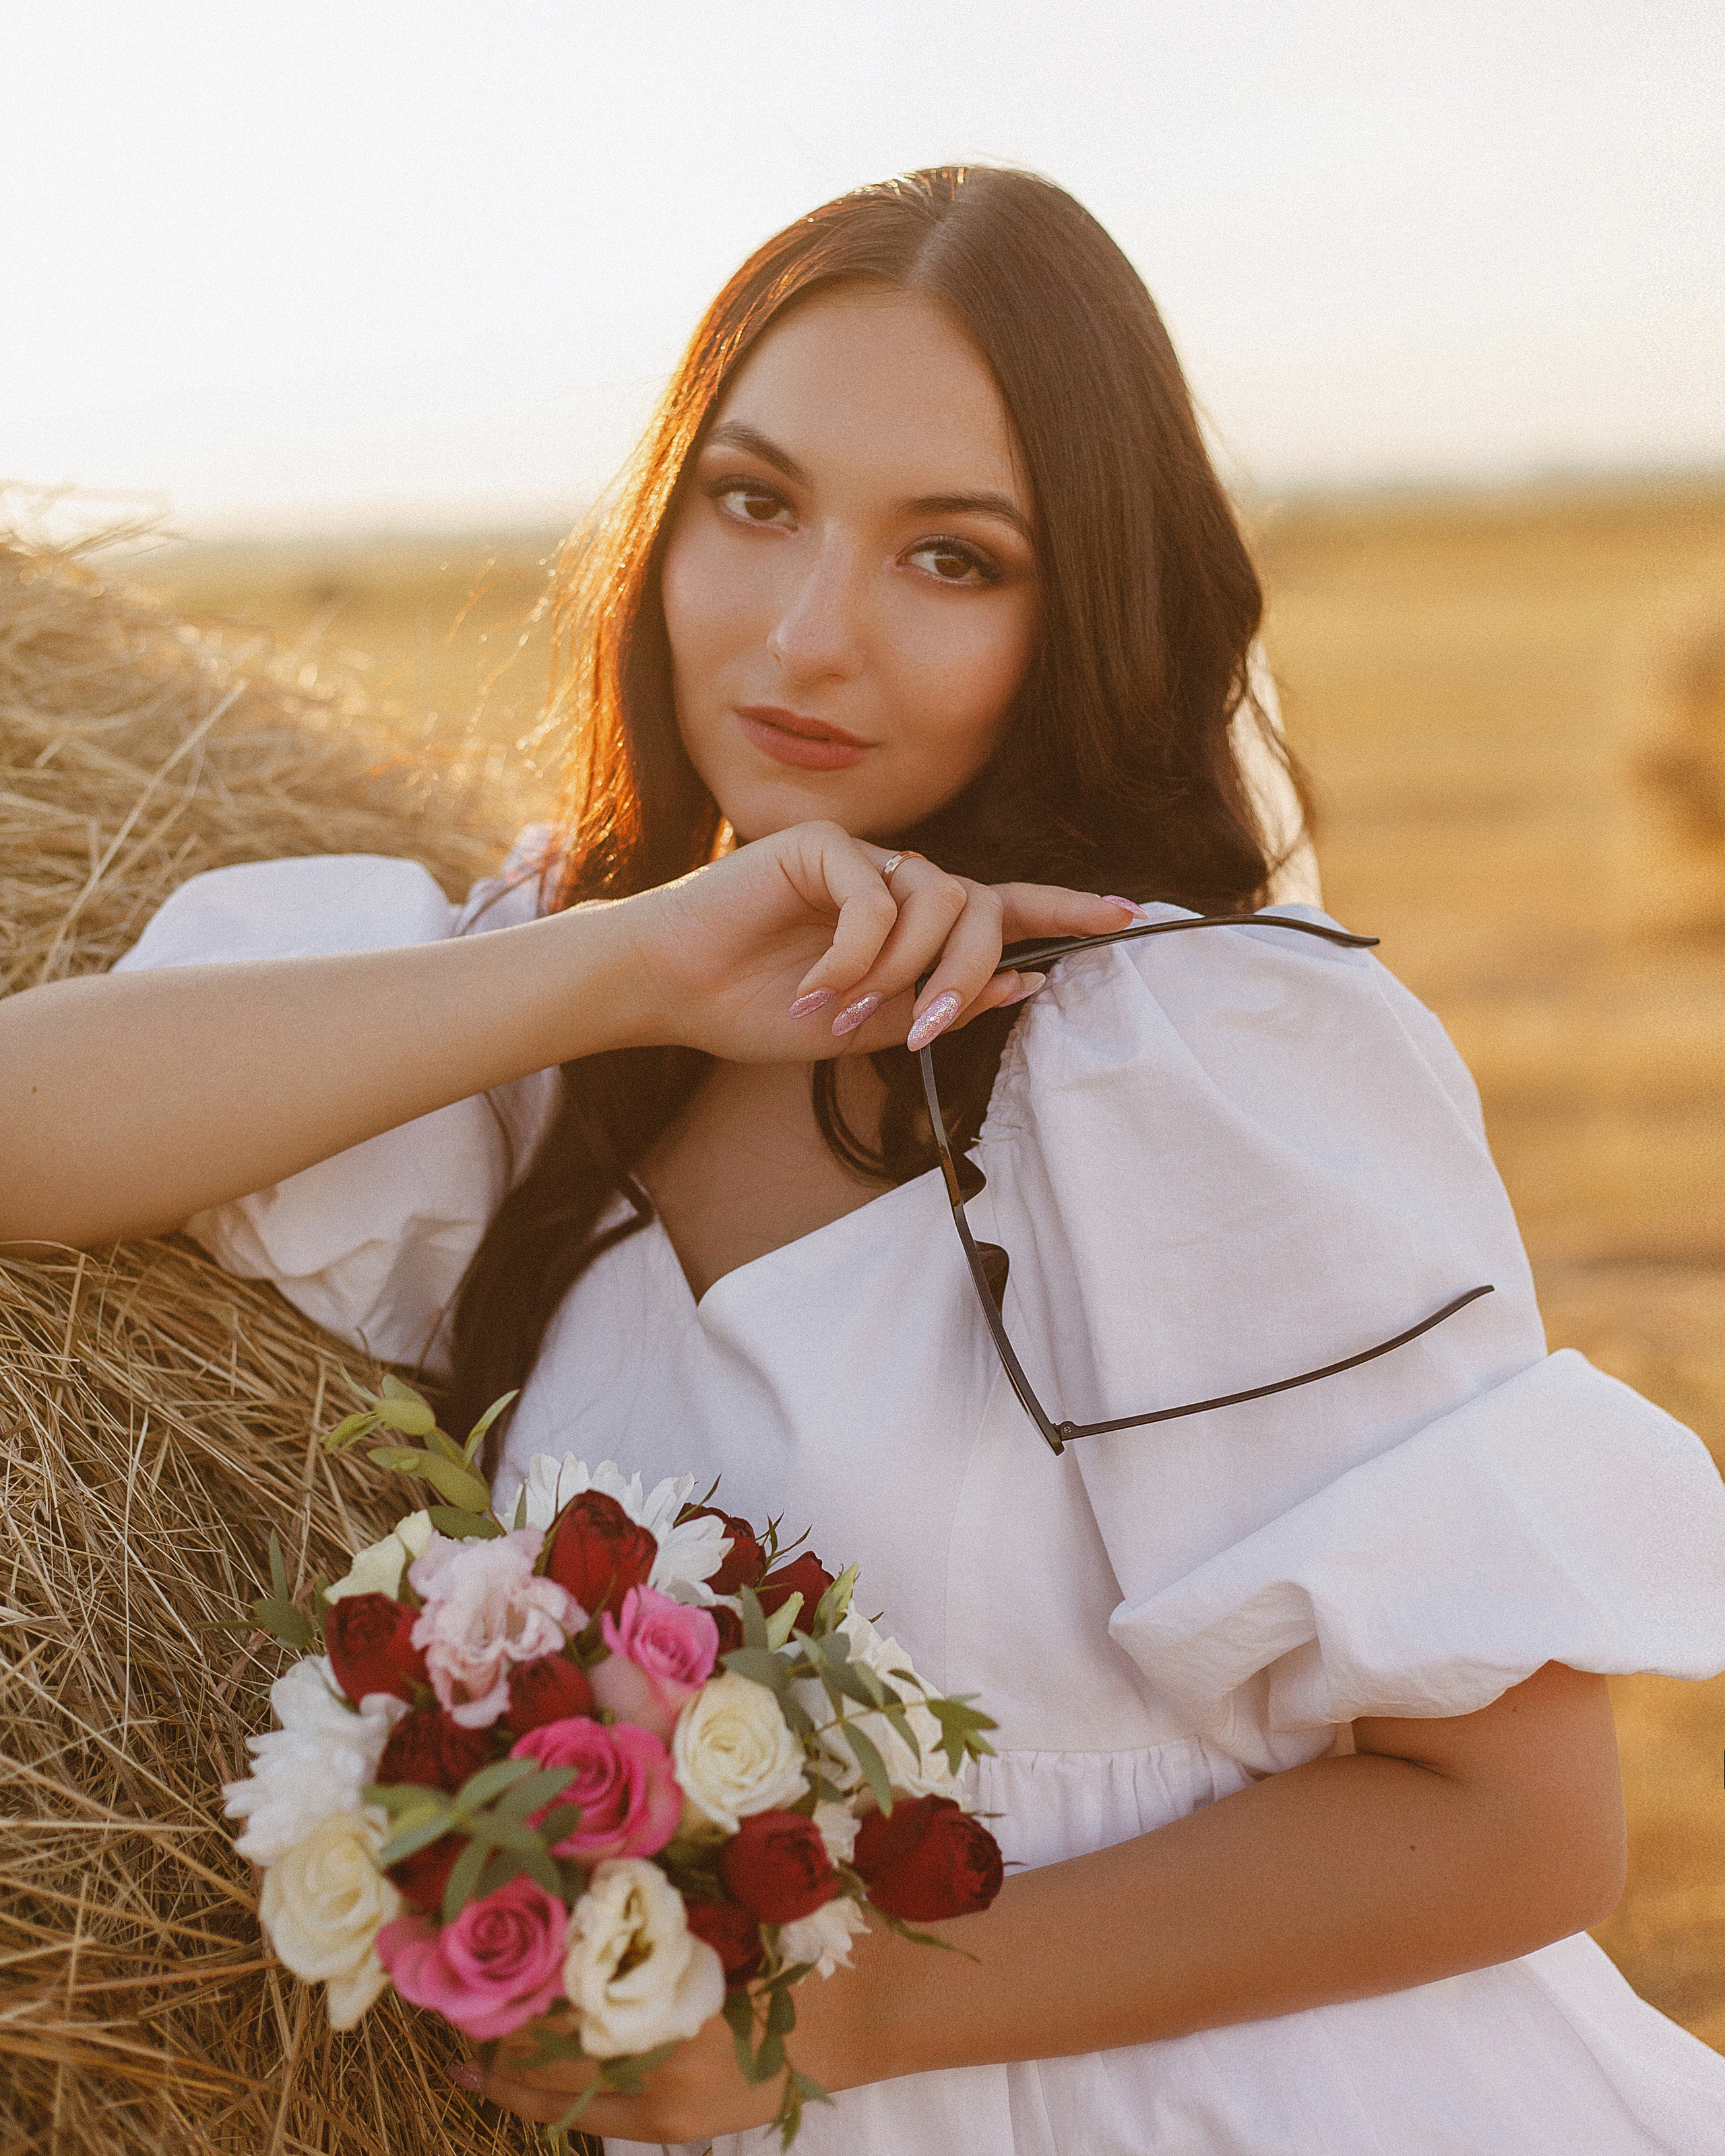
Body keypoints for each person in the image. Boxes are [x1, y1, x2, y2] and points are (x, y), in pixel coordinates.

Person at [5, 167, 1724, 2155]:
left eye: (954, 559)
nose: (807, 638)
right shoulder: (571, 1031)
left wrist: (864, 2007)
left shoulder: (1185, 1056)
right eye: (754, 504)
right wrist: (624, 963)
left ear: (1086, 606)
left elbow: (1522, 1828)